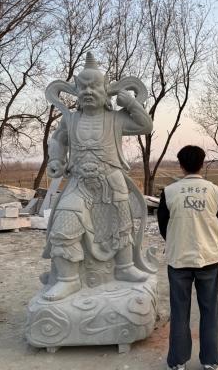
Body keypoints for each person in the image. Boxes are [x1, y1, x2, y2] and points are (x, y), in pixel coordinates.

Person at [42, 52, 153, 301]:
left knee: (122, 224)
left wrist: (131, 104)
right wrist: (56, 160)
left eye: (94, 86)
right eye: (83, 87)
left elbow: (145, 126)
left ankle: (125, 267)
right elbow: (58, 140)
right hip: (79, 182)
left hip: (111, 180)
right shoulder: (70, 119)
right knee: (63, 223)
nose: (88, 91)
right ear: (76, 91)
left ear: (106, 90)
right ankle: (68, 279)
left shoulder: (116, 119)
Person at [157, 145, 218, 370]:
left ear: (181, 165)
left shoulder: (169, 192)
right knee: (209, 310)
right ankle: (211, 361)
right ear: (202, 164)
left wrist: (179, 240)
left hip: (179, 260)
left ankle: (177, 362)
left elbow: (164, 226)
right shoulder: (214, 190)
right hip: (209, 258)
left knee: (179, 312)